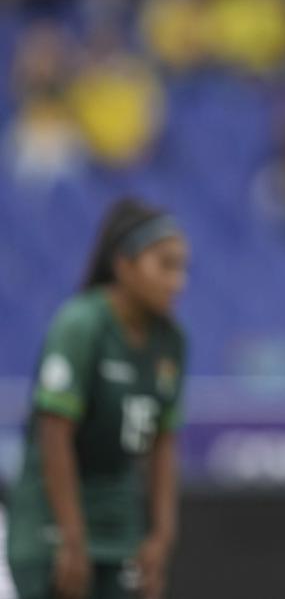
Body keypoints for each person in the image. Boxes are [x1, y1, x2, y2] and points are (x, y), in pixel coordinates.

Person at [5, 199, 189, 599]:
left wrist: (160, 537)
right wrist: (71, 540)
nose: (178, 281)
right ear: (123, 265)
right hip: (51, 525)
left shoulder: (171, 342)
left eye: (182, 268)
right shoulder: (80, 325)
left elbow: (162, 445)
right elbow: (54, 435)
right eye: (165, 265)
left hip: (120, 526)